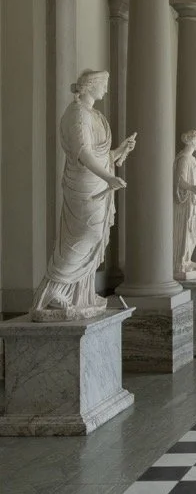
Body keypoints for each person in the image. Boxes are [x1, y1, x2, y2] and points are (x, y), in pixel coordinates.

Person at [31, 69, 136, 318]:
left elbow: (101, 155)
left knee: (93, 236)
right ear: (90, 86)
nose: (106, 90)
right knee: (81, 237)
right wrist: (108, 177)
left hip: (98, 183)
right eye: (104, 85)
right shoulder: (76, 114)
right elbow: (84, 154)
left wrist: (121, 150)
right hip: (84, 187)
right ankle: (54, 293)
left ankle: (80, 295)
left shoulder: (96, 115)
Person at [173, 129, 196, 277]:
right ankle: (182, 262)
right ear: (193, 141)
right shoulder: (184, 159)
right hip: (185, 202)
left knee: (195, 229)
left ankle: (187, 258)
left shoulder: (192, 159)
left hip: (193, 200)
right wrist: (192, 188)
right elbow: (180, 181)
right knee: (187, 229)